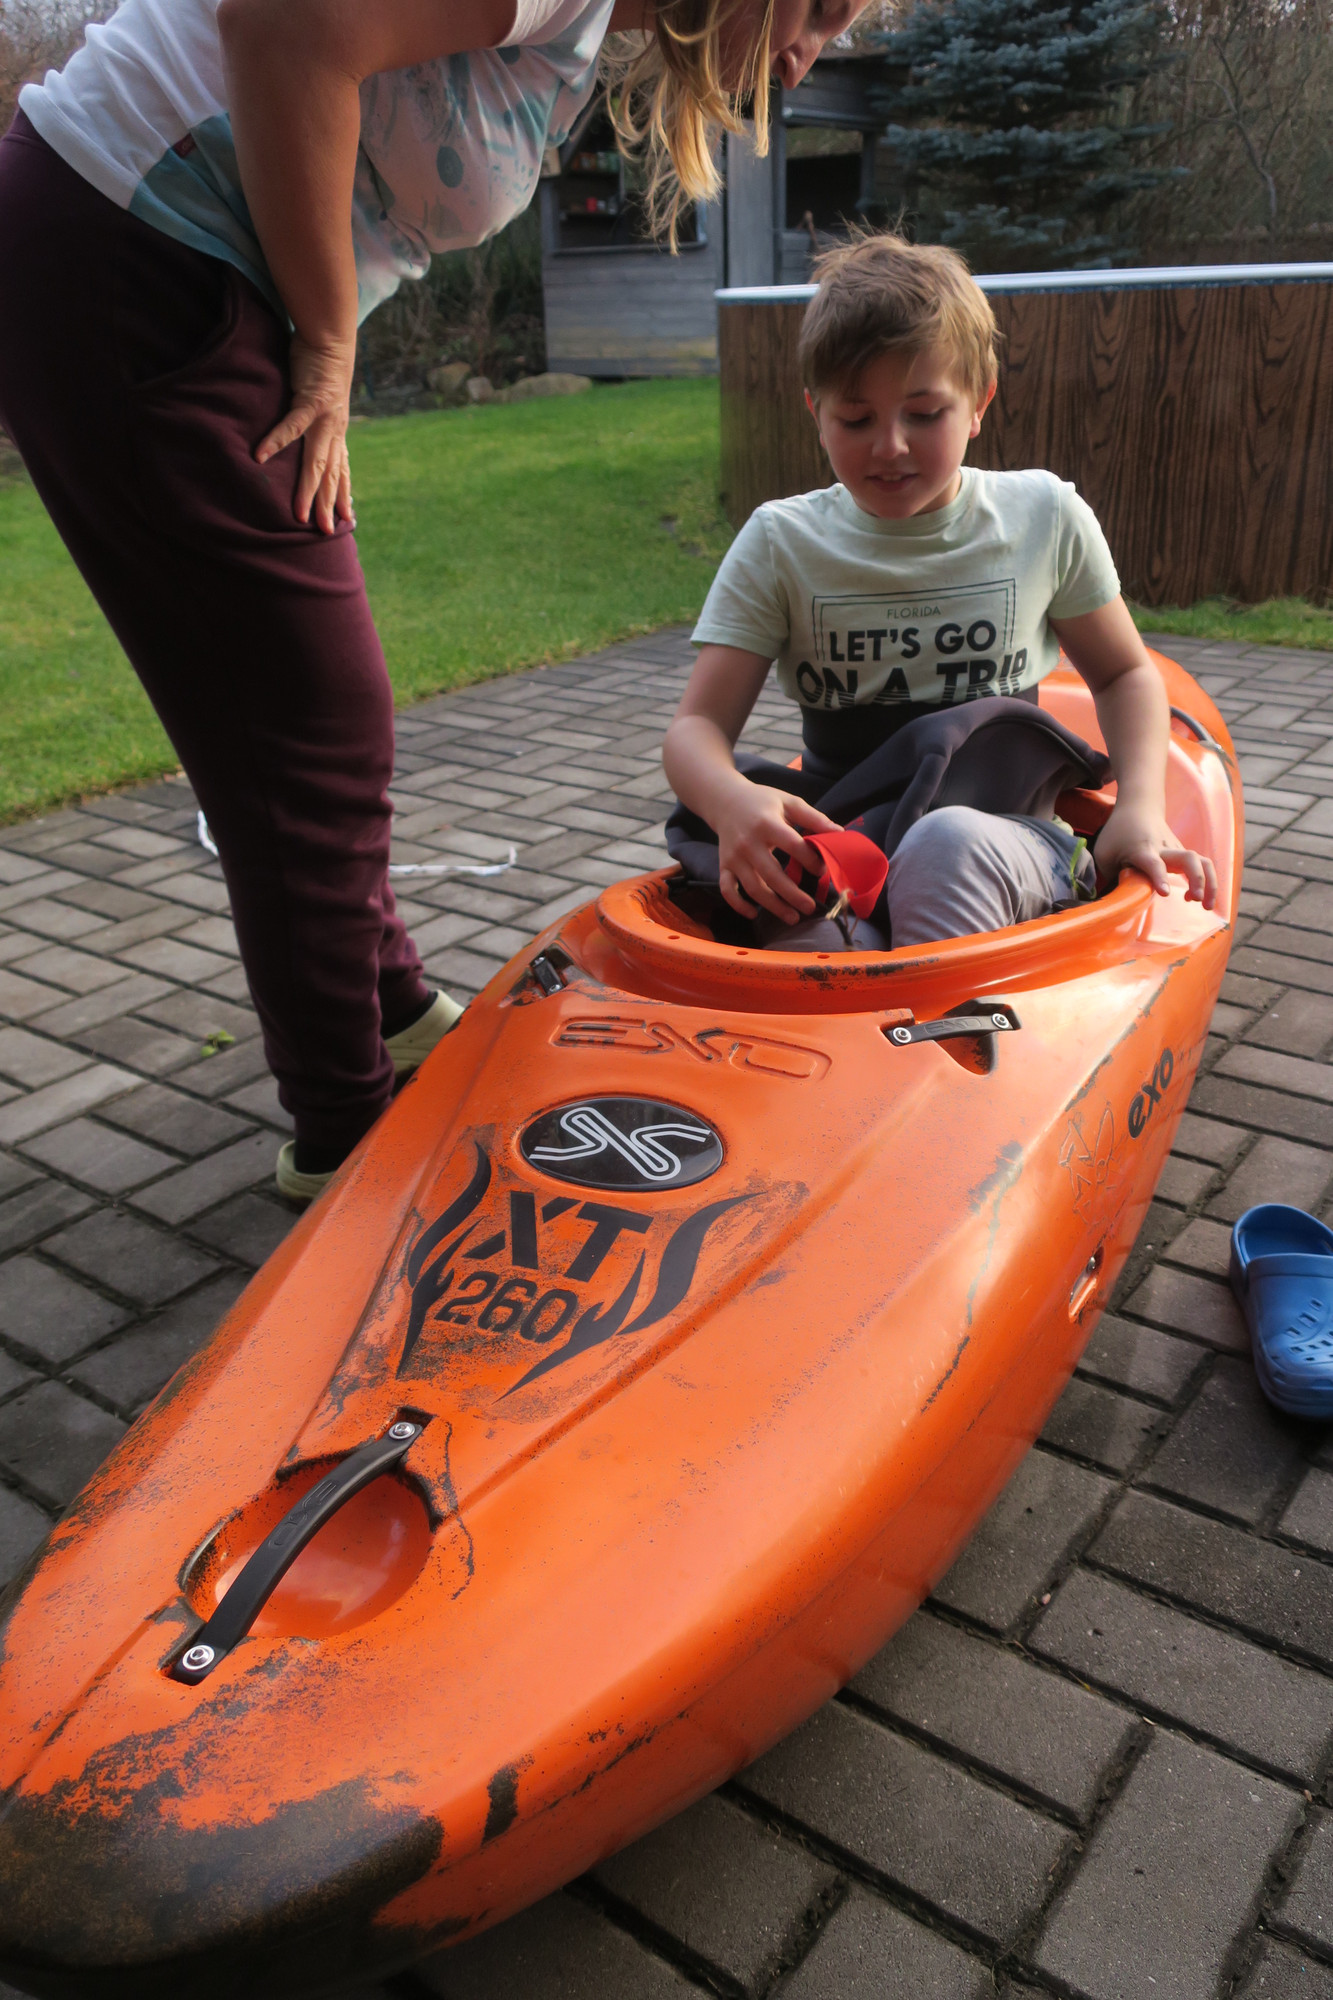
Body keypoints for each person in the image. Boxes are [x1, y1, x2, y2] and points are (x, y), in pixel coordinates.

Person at [0, 0, 865, 1203]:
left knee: (291, 710)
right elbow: (287, 23)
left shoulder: (591, 27)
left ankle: (391, 1008)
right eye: (816, 10)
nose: (808, 55)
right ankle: (345, 1136)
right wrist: (327, 340)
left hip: (155, 257)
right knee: (310, 718)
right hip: (136, 251)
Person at [664, 232, 1218, 947]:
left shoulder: (1043, 517)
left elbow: (1122, 673)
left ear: (979, 402)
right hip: (851, 847)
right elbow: (696, 729)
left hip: (1010, 840)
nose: (889, 445)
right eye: (855, 419)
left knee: (944, 845)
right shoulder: (780, 542)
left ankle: (943, 1016)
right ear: (815, 413)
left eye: (924, 414)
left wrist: (1139, 806)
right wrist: (730, 801)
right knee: (809, 944)